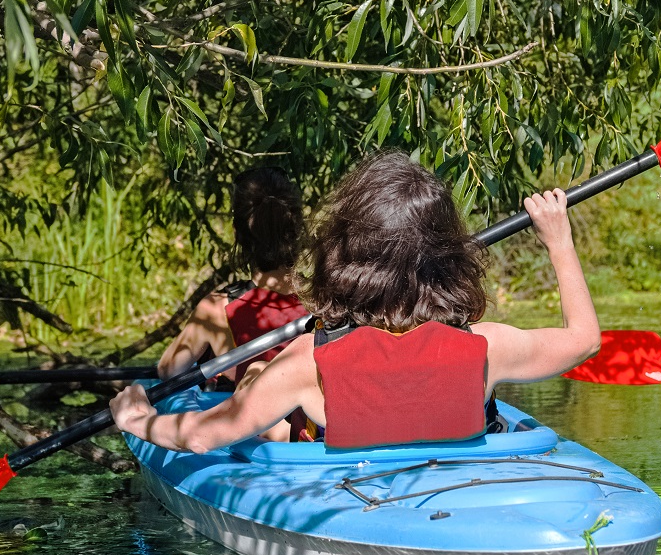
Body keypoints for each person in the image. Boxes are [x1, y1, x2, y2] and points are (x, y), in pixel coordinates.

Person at [110, 152, 600, 453]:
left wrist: (136, 419)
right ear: (448, 255)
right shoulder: (489, 346)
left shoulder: (309, 362)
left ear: (344, 255)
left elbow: (201, 436)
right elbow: (583, 339)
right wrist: (559, 242)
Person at [155, 167, 308, 395]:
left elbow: (168, 371)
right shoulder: (327, 298)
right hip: (312, 424)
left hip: (256, 426)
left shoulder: (216, 310)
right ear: (297, 228)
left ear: (237, 232)